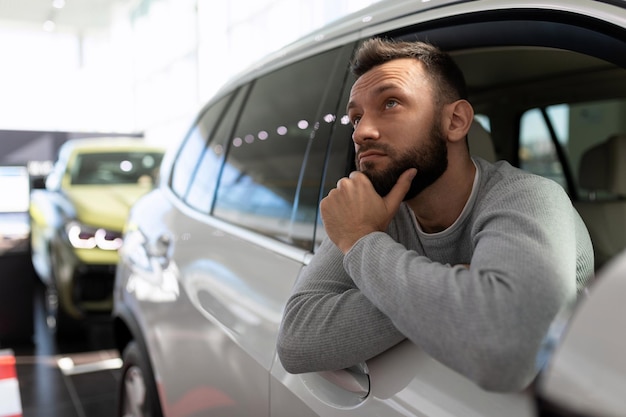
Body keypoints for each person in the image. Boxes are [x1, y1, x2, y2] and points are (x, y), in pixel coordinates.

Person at [276, 38, 594, 392]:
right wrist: (463, 290)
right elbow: (295, 341)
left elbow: (510, 348)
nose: (362, 132)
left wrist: (363, 244)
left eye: (391, 102)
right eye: (355, 117)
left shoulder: (530, 197)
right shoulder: (375, 209)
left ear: (456, 121)